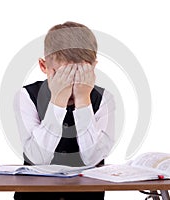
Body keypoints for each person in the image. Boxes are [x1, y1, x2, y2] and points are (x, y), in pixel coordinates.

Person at [14, 21, 115, 200]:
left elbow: (92, 158)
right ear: (44, 66)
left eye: (81, 75)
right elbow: (38, 158)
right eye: (63, 75)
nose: (72, 84)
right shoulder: (26, 96)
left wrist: (83, 100)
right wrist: (58, 100)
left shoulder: (104, 99)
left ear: (93, 68)